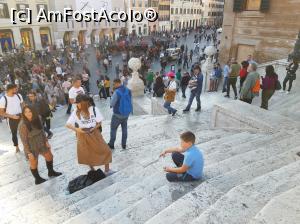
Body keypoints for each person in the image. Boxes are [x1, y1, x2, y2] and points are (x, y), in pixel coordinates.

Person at [66, 95, 112, 174]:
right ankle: (92, 170)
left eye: (78, 103)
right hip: (82, 135)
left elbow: (99, 122)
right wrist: (78, 130)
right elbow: (68, 124)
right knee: (86, 154)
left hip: (94, 133)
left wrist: (93, 128)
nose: (77, 105)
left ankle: (107, 170)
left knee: (105, 150)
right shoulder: (76, 112)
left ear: (83, 103)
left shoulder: (94, 109)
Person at [19, 105, 62, 185]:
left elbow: (42, 130)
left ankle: (51, 172)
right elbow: (24, 141)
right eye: (26, 112)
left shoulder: (37, 118)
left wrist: (46, 141)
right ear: (23, 113)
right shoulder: (23, 125)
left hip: (41, 142)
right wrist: (29, 152)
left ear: (33, 111)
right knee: (34, 163)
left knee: (50, 156)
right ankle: (37, 179)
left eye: (30, 111)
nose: (28, 113)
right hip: (31, 146)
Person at [108, 79, 132, 150]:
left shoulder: (117, 92)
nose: (113, 85)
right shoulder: (128, 90)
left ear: (117, 83)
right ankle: (124, 144)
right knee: (124, 129)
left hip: (117, 114)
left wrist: (111, 101)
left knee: (113, 129)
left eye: (114, 84)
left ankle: (111, 144)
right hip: (126, 114)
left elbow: (112, 103)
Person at [0, 84, 24, 153]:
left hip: (21, 116)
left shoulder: (18, 95)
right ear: (11, 89)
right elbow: (1, 113)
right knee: (14, 134)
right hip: (11, 119)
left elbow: (23, 105)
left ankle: (26, 145)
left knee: (25, 130)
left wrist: (24, 113)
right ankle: (17, 147)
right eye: (15, 89)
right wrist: (12, 116)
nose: (17, 90)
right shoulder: (3, 99)